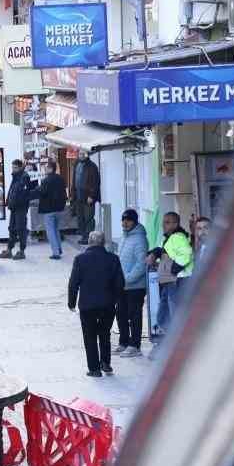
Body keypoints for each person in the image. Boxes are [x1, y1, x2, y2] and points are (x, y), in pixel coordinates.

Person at [67, 231, 124, 377]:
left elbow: (73, 283)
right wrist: (115, 300)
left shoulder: (80, 259)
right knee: (105, 333)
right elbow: (120, 283)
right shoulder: (113, 259)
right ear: (103, 242)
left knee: (89, 336)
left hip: (87, 306)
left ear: (89, 242)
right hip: (108, 304)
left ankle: (94, 369)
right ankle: (106, 363)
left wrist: (71, 302)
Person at [115, 209, 149, 357]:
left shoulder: (140, 239)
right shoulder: (124, 237)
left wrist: (127, 278)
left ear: (135, 221)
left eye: (128, 220)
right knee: (121, 314)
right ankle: (123, 342)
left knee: (134, 316)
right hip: (122, 285)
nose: (125, 223)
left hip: (135, 286)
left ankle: (135, 345)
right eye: (123, 220)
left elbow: (141, 264)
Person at [156, 212, 195, 332]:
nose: (164, 225)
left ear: (175, 224)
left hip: (178, 280)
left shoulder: (177, 237)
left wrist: (174, 268)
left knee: (174, 314)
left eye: (167, 222)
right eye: (164, 222)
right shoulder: (169, 238)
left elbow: (187, 253)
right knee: (165, 314)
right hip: (171, 281)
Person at [2, 159, 34, 259]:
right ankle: (9, 250)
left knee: (20, 228)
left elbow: (24, 193)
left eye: (15, 167)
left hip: (21, 207)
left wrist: (17, 202)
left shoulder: (24, 177)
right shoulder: (16, 176)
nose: (13, 169)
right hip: (14, 206)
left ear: (20, 167)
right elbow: (12, 190)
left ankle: (21, 251)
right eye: (12, 167)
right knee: (12, 228)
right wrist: (8, 201)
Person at [37, 159, 68, 260]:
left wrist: (37, 190)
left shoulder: (46, 181)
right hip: (59, 208)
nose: (45, 169)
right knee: (56, 229)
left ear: (50, 169)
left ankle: (56, 253)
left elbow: (42, 193)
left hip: (48, 209)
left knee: (50, 231)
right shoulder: (61, 179)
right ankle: (58, 248)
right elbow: (64, 193)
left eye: (46, 168)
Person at [70, 150, 101, 244]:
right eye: (80, 154)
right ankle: (84, 236)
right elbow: (74, 180)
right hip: (78, 196)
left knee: (89, 217)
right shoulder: (76, 164)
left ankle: (89, 238)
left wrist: (92, 195)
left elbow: (96, 182)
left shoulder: (92, 166)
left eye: (83, 154)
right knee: (80, 217)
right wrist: (72, 195)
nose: (82, 155)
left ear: (87, 155)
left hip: (88, 197)